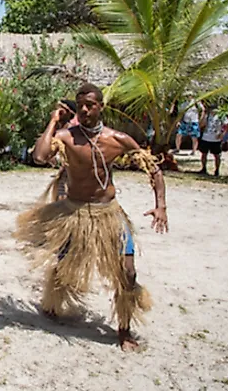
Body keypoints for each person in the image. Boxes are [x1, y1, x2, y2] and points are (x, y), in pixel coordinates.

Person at [17, 83, 168, 352]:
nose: (84, 109)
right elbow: (39, 156)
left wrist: (161, 206)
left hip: (108, 213)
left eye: (90, 104)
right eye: (80, 104)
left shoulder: (117, 140)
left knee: (128, 272)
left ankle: (124, 329)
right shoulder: (65, 136)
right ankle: (52, 305)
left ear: (101, 107)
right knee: (64, 265)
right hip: (73, 213)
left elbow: (153, 169)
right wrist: (53, 121)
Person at [198, 104, 228, 176]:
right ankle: (204, 168)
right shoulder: (207, 116)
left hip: (216, 139)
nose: (212, 110)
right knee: (204, 154)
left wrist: (222, 134)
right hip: (206, 137)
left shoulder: (221, 116)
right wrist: (204, 116)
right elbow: (201, 125)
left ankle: (217, 170)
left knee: (217, 155)